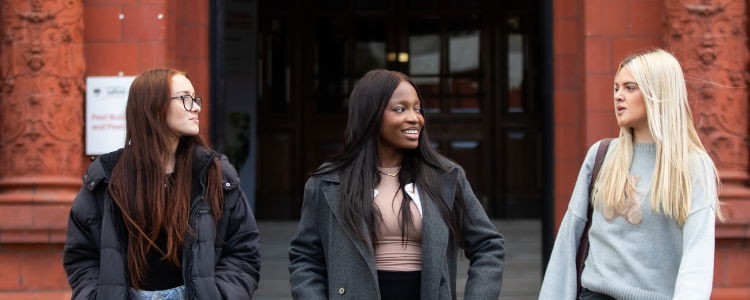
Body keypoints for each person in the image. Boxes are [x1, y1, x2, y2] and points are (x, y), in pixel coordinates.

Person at [288, 69, 505, 300]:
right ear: (369, 115)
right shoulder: (326, 182)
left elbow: (488, 246)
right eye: (400, 109)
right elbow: (306, 259)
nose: (415, 118)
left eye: (418, 108)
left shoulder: (446, 177)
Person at [539, 49, 722, 300]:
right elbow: (567, 241)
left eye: (629, 87)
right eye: (616, 88)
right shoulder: (601, 155)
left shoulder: (692, 165)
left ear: (658, 93)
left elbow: (697, 257)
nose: (618, 96)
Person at [63, 68, 261, 300]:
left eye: (194, 98)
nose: (196, 107)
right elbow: (81, 255)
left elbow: (244, 250)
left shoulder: (214, 173)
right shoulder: (107, 177)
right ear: (153, 108)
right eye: (185, 98)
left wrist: (220, 295)